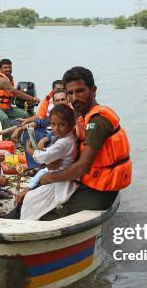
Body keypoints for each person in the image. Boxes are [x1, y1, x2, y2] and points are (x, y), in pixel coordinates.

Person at [38, 66, 132, 220]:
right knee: (36, 196)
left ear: (93, 90)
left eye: (80, 91)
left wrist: (49, 178)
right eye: (70, 93)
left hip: (99, 192)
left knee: (45, 215)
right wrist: (54, 161)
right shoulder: (83, 117)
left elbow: (83, 166)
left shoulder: (97, 122)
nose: (74, 98)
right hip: (89, 182)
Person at [16, 104, 78, 220]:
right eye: (53, 124)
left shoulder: (64, 142)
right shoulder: (67, 138)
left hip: (59, 182)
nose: (56, 128)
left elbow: (43, 157)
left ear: (70, 125)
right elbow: (49, 154)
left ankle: (27, 225)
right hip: (54, 175)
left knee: (30, 199)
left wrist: (30, 150)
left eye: (61, 125)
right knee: (32, 196)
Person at [12, 89, 70, 171]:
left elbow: (63, 132)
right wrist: (19, 129)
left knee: (51, 141)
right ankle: (35, 167)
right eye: (57, 100)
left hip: (60, 142)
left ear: (68, 100)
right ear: (54, 103)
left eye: (63, 99)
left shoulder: (70, 113)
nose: (60, 102)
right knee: (28, 133)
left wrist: (45, 139)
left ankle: (45, 166)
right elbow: (40, 122)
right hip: (49, 138)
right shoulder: (55, 113)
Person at [0, 59, 39, 130]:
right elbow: (15, 92)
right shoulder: (1, 80)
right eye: (5, 67)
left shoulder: (9, 79)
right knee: (3, 118)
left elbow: (11, 96)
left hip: (6, 108)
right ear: (0, 69)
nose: (8, 69)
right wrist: (32, 98)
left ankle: (23, 134)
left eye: (10, 67)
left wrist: (28, 101)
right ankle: (8, 137)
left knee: (25, 114)